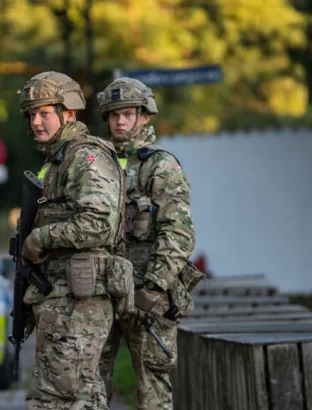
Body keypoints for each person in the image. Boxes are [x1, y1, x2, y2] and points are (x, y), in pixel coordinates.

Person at [17, 71, 130, 410]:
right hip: (64, 301)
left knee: (57, 399)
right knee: (81, 396)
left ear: (69, 113)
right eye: (31, 114)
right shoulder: (58, 160)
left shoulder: (84, 157)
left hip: (78, 303)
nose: (36, 121)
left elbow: (98, 223)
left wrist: (42, 237)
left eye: (44, 113)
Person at [95, 78, 196, 410]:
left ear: (144, 116)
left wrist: (153, 289)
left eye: (127, 114)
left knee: (153, 393)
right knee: (91, 386)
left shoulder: (160, 165)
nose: (120, 122)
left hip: (149, 296)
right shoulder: (99, 165)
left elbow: (178, 234)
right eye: (114, 115)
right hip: (103, 292)